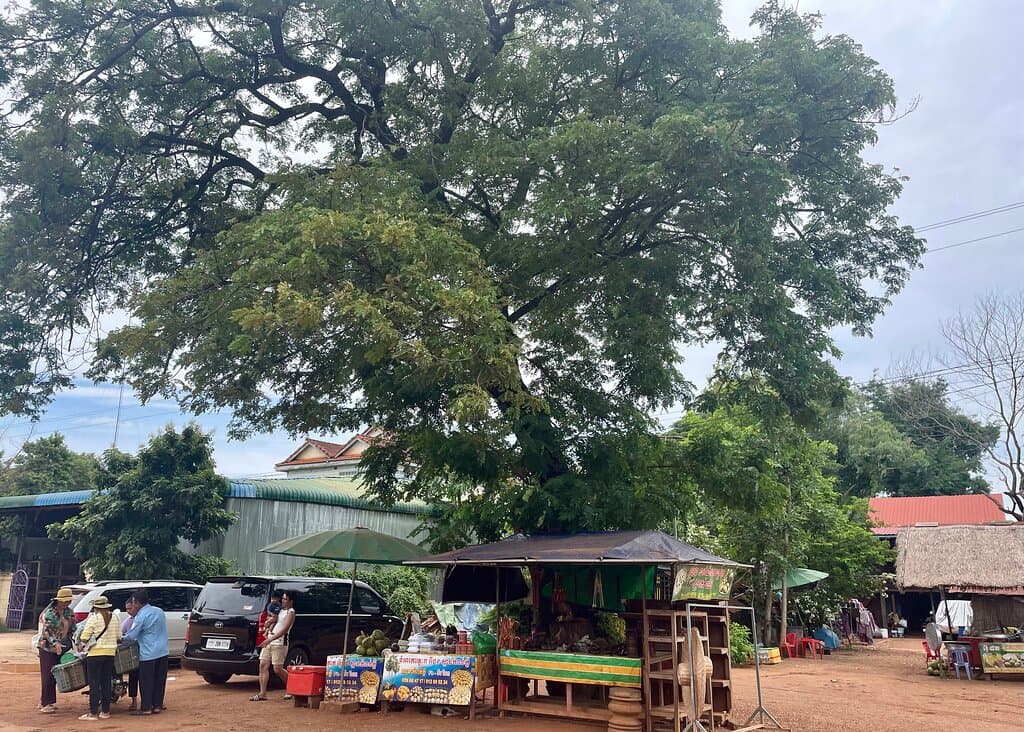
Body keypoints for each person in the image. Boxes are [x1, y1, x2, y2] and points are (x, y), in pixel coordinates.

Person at [123, 589, 169, 715]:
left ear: (136, 602)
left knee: (146, 681)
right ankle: (157, 706)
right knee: (160, 680)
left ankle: (146, 708)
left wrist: (120, 638)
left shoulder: (141, 616)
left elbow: (131, 635)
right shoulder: (159, 611)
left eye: (133, 602)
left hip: (148, 653)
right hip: (163, 651)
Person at [77, 595, 122, 721]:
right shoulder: (115, 618)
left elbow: (84, 637)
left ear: (95, 607)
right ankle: (105, 712)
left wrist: (81, 645)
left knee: (94, 683)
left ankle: (93, 713)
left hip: (95, 654)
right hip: (110, 654)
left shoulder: (94, 619)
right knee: (106, 682)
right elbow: (119, 636)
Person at [36, 586, 77, 714]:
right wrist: (55, 643)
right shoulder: (49, 613)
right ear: (58, 600)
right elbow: (47, 631)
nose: (66, 603)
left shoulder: (69, 612)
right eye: (64, 601)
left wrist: (78, 641)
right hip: (48, 647)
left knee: (55, 674)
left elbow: (73, 628)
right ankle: (45, 703)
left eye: (68, 601)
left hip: (63, 646)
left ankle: (46, 700)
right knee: (47, 675)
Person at [250, 591, 295, 702]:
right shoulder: (278, 609)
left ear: (291, 601)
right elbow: (273, 618)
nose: (283, 601)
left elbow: (284, 630)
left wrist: (270, 639)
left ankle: (292, 688)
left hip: (279, 642)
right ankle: (262, 693)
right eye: (283, 599)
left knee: (277, 669)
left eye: (285, 599)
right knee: (263, 665)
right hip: (270, 640)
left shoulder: (291, 612)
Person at [121, 598, 140, 711]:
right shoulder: (128, 621)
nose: (128, 611)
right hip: (132, 653)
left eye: (130, 608)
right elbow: (122, 633)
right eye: (127, 609)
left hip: (144, 652)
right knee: (133, 677)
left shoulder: (142, 618)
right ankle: (133, 701)